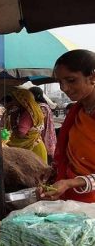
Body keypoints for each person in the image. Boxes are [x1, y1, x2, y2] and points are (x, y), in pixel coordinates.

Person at [40, 50, 95, 203]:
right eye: (59, 82)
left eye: (71, 80)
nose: (63, 88)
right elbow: (70, 156)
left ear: (93, 77)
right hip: (71, 201)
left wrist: (72, 182)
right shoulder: (78, 112)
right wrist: (53, 174)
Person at [3, 88, 48, 164]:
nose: (13, 102)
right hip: (37, 146)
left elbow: (21, 134)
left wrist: (13, 121)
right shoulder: (34, 110)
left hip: (32, 150)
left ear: (22, 100)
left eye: (15, 99)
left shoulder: (27, 114)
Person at [29, 86, 57, 162]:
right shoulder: (42, 106)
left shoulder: (41, 107)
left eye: (30, 95)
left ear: (36, 95)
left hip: (42, 135)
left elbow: (39, 124)